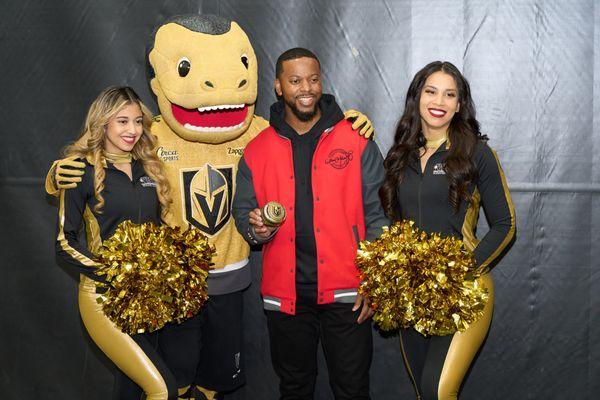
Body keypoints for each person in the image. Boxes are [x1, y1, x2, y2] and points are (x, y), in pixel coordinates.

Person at [232, 48, 388, 400]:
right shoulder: (256, 150)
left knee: (351, 390)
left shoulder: (356, 140)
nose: (307, 88)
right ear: (278, 86)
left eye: (313, 79)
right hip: (286, 297)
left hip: (348, 292)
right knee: (295, 389)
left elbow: (378, 215)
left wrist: (374, 280)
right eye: (296, 80)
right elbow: (243, 213)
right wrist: (255, 228)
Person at [379, 61, 516, 400]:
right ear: (417, 98)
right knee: (425, 393)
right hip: (412, 293)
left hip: (465, 290)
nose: (439, 100)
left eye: (449, 94)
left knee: (438, 390)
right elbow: (393, 226)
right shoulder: (399, 155)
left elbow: (505, 225)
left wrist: (463, 274)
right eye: (431, 91)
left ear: (459, 104)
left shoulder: (477, 153)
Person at [55, 86, 178, 400]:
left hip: (146, 298)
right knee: (162, 390)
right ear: (103, 124)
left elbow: (157, 230)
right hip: (103, 299)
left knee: (131, 389)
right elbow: (64, 244)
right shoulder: (79, 170)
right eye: (122, 121)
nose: (133, 130)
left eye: (138, 121)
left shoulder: (147, 167)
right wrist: (113, 274)